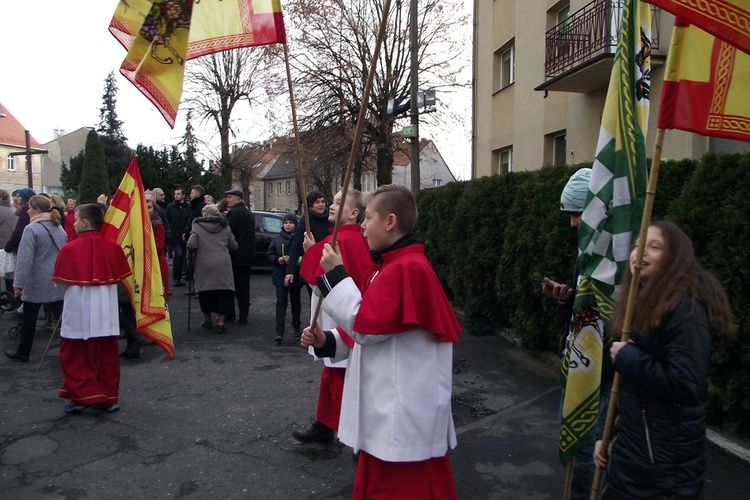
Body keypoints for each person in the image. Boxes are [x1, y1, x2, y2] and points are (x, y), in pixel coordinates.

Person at [302, 184, 461, 498]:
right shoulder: (390, 265)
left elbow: (368, 328)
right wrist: (329, 342)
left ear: (390, 222)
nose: (362, 225)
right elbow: (377, 334)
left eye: (369, 217)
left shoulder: (408, 268)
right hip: (387, 412)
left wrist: (335, 276)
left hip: (400, 416)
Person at [593, 220, 736, 499]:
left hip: (662, 464)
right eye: (637, 246)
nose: (640, 253)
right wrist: (605, 434)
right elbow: (624, 384)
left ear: (675, 258)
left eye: (654, 247)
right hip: (631, 454)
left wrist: (628, 356)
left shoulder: (685, 309)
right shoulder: (642, 301)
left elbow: (686, 384)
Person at [542, 168, 612, 500]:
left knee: (588, 453)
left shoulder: (613, 257)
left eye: (577, 213)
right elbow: (587, 309)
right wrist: (567, 299)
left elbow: (614, 318)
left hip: (601, 375)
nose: (572, 222)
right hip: (579, 364)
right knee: (576, 448)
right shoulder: (587, 251)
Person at [292, 188, 373, 445]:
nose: (332, 206)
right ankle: (325, 424)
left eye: (339, 203)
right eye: (333, 201)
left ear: (353, 213)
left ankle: (354, 435)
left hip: (340, 318)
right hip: (333, 317)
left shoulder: (345, 241)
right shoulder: (342, 239)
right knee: (330, 372)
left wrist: (313, 252)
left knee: (339, 374)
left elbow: (325, 285)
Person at [51, 203, 132, 413]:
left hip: (78, 310)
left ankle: (83, 396)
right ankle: (106, 396)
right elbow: (122, 280)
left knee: (75, 355)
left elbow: (61, 284)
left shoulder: (69, 249)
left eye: (76, 220)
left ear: (85, 222)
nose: (74, 224)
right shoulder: (113, 248)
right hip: (106, 312)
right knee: (105, 355)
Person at [4, 195, 67, 362]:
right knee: (64, 320)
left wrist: (18, 283)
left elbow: (25, 260)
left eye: (30, 208)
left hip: (36, 280)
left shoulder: (31, 229)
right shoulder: (58, 227)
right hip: (56, 280)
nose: (28, 211)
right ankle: (75, 352)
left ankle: (23, 352)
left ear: (37, 210)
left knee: (29, 319)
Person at [186, 204, 238, 334]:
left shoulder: (197, 225)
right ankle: (220, 322)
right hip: (223, 263)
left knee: (205, 292)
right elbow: (233, 246)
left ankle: (207, 320)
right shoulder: (225, 226)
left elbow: (192, 244)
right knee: (223, 293)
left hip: (203, 263)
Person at [284, 191, 333, 292]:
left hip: (329, 262)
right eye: (317, 202)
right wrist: (290, 271)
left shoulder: (331, 218)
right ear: (310, 206)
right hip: (313, 264)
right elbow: (296, 247)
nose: (321, 204)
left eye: (322, 201)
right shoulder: (305, 222)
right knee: (315, 298)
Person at [267, 213, 302, 343]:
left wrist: (294, 261)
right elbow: (269, 254)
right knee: (281, 303)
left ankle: (296, 325)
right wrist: (277, 259)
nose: (288, 225)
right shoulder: (276, 239)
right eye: (286, 223)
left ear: (295, 225)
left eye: (291, 223)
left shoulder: (299, 239)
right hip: (280, 275)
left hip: (295, 274)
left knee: (295, 302)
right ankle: (279, 331)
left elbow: (304, 256)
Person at [224, 188, 255, 325]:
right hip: (247, 256)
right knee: (244, 287)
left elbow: (228, 234)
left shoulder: (233, 214)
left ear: (238, 199)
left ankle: (230, 314)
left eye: (230, 197)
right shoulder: (248, 213)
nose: (227, 200)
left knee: (232, 287)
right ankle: (244, 315)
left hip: (234, 255)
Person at [165, 188, 191, 287]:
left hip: (185, 236)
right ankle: (176, 277)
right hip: (175, 236)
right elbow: (167, 220)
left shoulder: (188, 207)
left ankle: (179, 277)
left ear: (183, 195)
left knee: (183, 257)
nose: (176, 195)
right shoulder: (171, 207)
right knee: (179, 255)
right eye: (175, 194)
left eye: (178, 194)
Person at [146, 197, 170, 299]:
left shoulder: (157, 225)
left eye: (149, 207)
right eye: (145, 207)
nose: (147, 210)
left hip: (157, 263)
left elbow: (159, 247)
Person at [0, 189, 19, 292]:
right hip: (11, 246)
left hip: (0, 246)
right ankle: (10, 298)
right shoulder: (15, 210)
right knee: (10, 273)